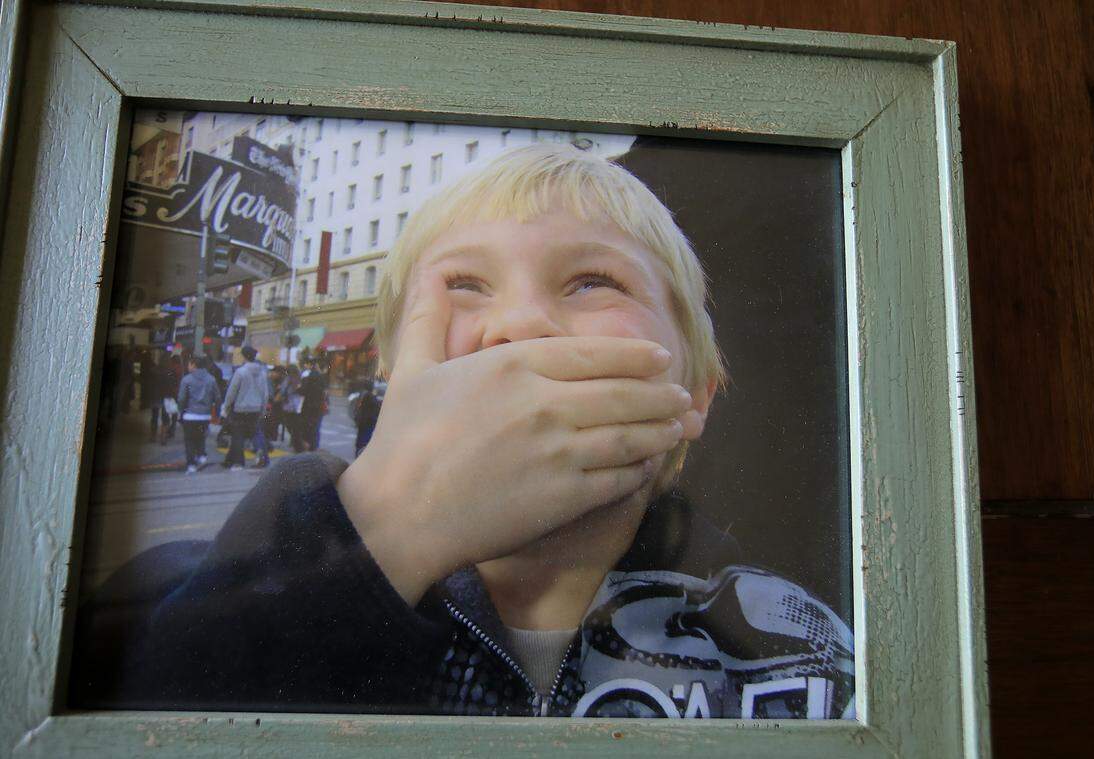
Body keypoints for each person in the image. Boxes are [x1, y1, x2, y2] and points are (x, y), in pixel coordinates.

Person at [75, 145, 853, 719]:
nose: (515, 323)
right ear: (395, 380)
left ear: (696, 392)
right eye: (463, 286)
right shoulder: (204, 591)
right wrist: (388, 522)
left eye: (592, 280)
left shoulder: (788, 644)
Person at [220, 346, 270, 470]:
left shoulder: (240, 372)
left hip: (241, 408)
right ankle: (262, 455)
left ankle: (238, 462)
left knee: (238, 434)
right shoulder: (263, 373)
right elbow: (265, 393)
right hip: (256, 408)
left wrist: (225, 408)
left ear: (244, 356)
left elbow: (232, 392)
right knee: (256, 432)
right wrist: (263, 409)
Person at [177, 355, 221, 473]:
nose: (188, 366)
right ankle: (201, 456)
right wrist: (217, 412)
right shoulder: (211, 379)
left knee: (189, 440)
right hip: (205, 415)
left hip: (190, 415)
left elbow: (181, 398)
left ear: (194, 365)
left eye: (189, 364)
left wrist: (180, 411)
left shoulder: (187, 379)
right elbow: (217, 397)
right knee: (201, 437)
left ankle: (191, 464)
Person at [298, 357, 327, 451]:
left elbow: (302, 391)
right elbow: (325, 392)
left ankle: (307, 445)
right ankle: (314, 446)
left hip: (308, 405)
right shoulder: (322, 378)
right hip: (318, 406)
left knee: (307, 426)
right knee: (316, 427)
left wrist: (298, 388)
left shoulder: (307, 377)